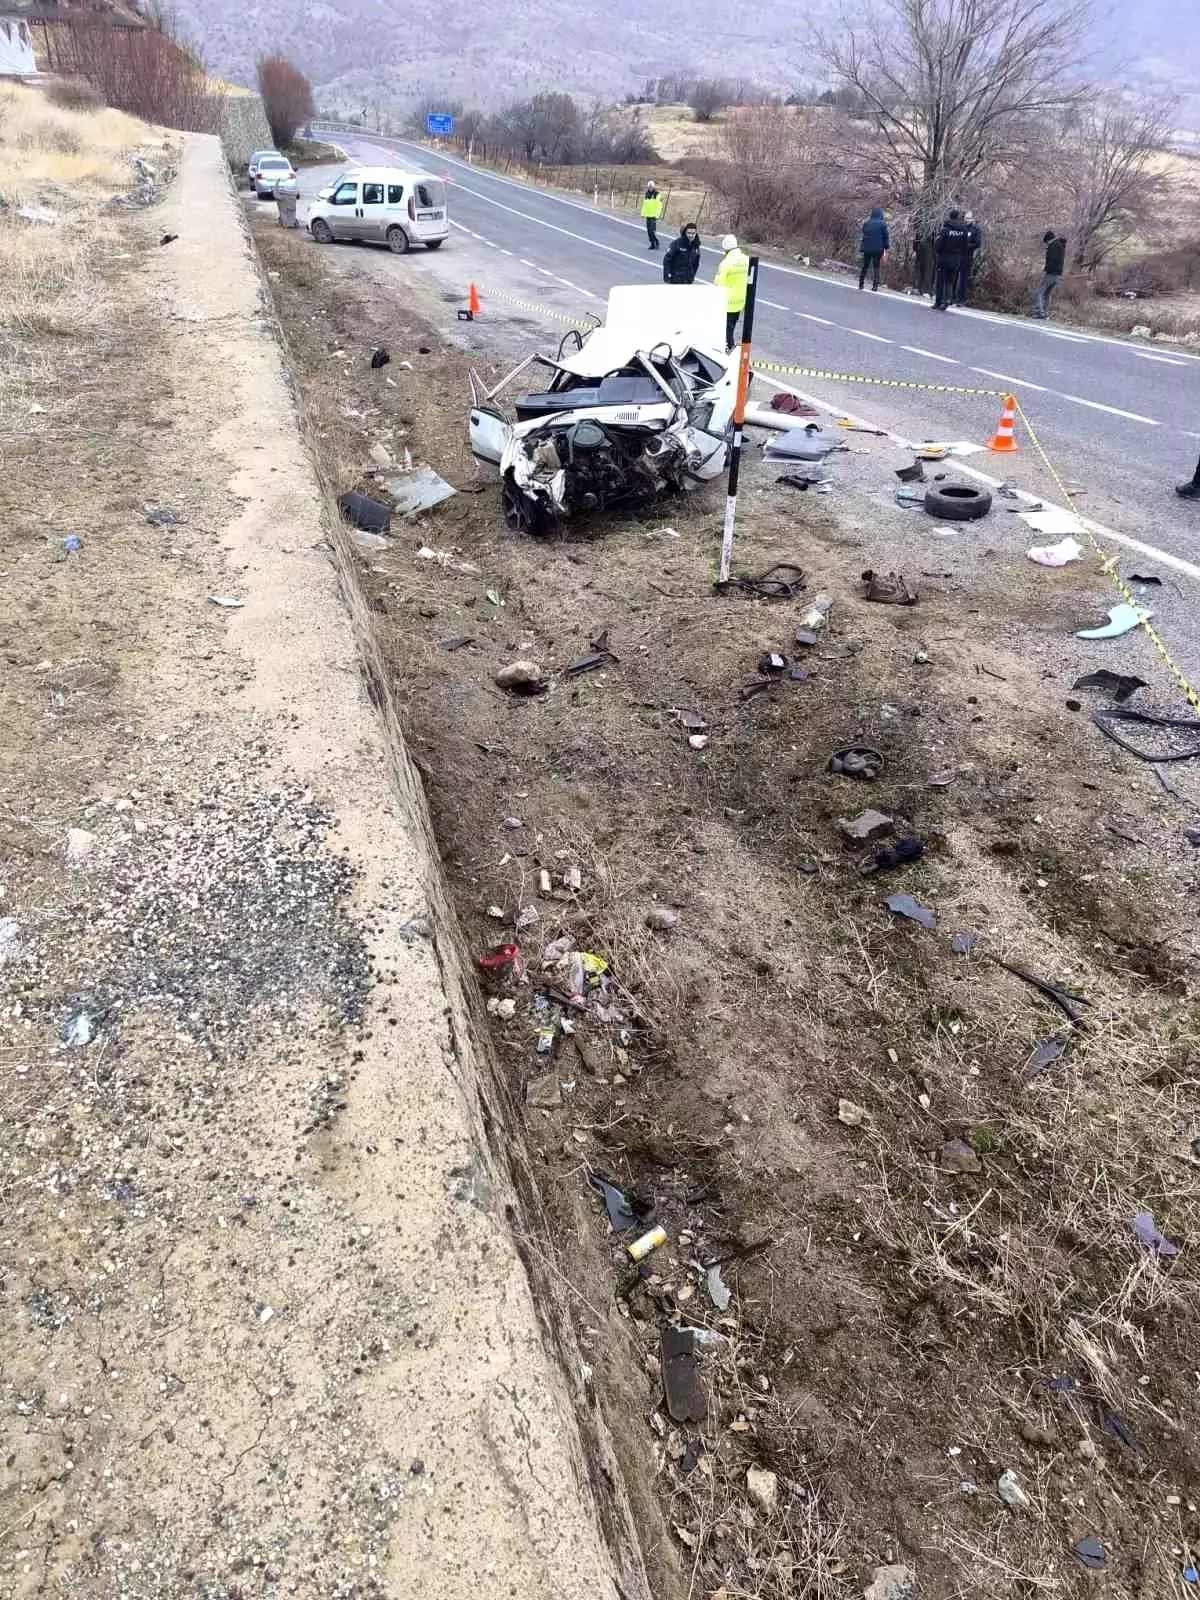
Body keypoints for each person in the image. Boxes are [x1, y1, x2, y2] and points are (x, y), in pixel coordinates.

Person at [714, 233, 750, 348]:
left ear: (725, 249)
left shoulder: (726, 263)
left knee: (726, 331)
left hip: (728, 302)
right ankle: (730, 347)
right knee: (732, 327)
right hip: (740, 301)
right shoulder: (746, 259)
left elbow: (718, 283)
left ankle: (729, 349)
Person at [932, 209, 970, 310]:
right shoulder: (964, 230)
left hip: (944, 258)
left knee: (940, 280)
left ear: (950, 217)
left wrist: (938, 252)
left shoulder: (945, 229)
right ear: (958, 217)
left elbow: (938, 244)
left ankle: (938, 302)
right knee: (950, 280)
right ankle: (948, 299)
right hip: (956, 259)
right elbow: (966, 246)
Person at [1033, 229, 1067, 319]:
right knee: (1047, 294)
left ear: (1048, 240)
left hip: (1051, 273)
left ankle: (1039, 312)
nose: (1047, 245)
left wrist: (1045, 270)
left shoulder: (1053, 246)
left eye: (1046, 243)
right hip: (1058, 275)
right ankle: (1045, 313)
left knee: (1038, 292)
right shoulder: (1061, 246)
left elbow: (1052, 259)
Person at [858, 206, 889, 291]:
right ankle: (875, 286)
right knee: (876, 266)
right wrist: (886, 247)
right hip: (878, 249)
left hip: (867, 248)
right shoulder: (883, 224)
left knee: (865, 265)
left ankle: (861, 284)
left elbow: (864, 232)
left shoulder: (867, 223)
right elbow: (886, 237)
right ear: (880, 214)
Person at [957, 211, 982, 304]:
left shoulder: (975, 229)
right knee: (955, 276)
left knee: (963, 278)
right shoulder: (961, 227)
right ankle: (950, 296)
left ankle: (961, 298)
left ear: (972, 219)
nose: (966, 220)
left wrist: (967, 246)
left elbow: (978, 243)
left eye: (968, 218)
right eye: (965, 218)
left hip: (967, 256)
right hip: (957, 254)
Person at [641, 182, 664, 250]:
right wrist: (643, 213)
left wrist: (657, 214)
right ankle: (653, 243)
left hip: (654, 215)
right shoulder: (647, 194)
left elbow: (659, 205)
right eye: (649, 187)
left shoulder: (657, 194)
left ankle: (655, 242)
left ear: (653, 187)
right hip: (648, 215)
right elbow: (644, 205)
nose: (650, 188)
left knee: (652, 231)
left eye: (651, 187)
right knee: (648, 231)